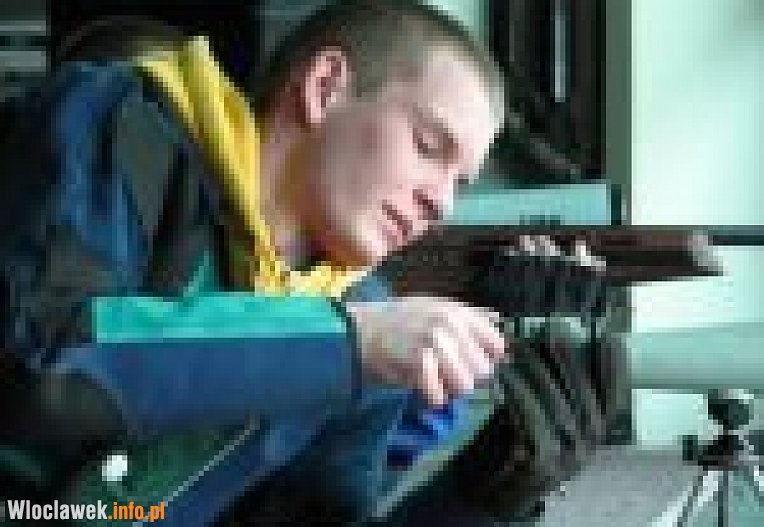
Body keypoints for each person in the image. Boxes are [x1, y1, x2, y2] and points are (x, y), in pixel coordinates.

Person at [0, 1, 508, 524]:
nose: (442, 204)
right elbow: (41, 358)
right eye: (429, 146)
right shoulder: (116, 121)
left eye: (460, 184)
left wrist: (484, 492)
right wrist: (344, 344)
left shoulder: (366, 319)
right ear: (325, 87)